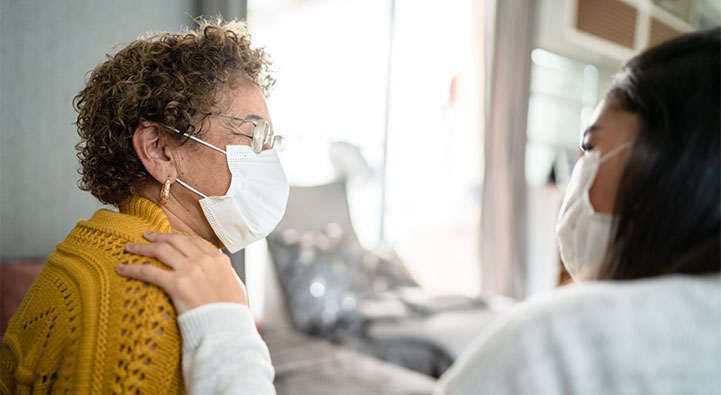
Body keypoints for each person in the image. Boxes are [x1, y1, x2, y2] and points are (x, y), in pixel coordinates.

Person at [116, 28, 721, 394]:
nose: (575, 170)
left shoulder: (568, 342)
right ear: (160, 150)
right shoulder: (110, 286)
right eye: (253, 137)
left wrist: (225, 324)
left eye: (591, 144)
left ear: (680, 161)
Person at [0, 19, 286, 394]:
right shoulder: (149, 302)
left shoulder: (87, 247)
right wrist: (227, 322)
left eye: (272, 141)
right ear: (159, 149)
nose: (270, 159)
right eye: (254, 136)